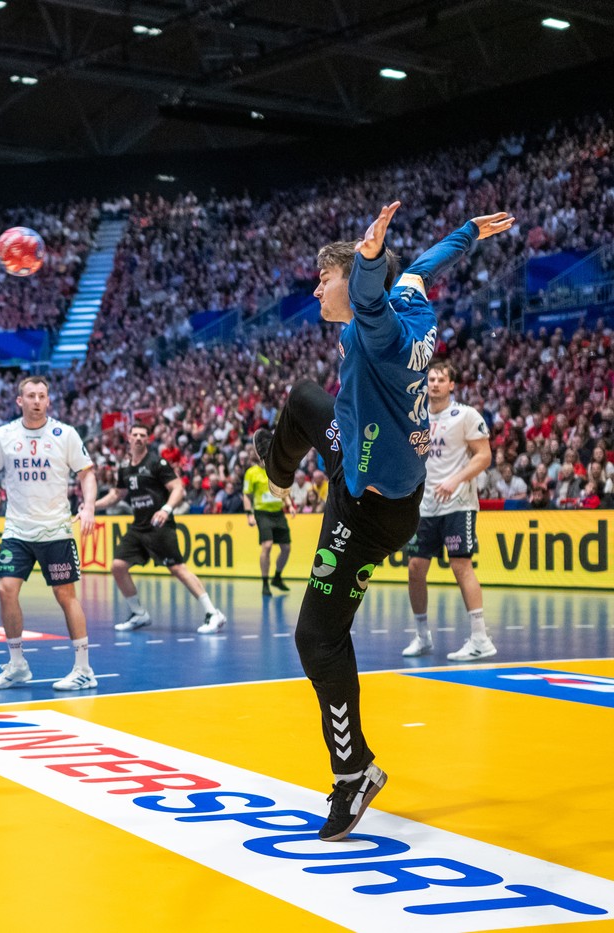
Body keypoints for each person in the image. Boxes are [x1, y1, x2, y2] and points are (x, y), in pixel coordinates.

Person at [254, 201, 513, 841]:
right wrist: (465, 233)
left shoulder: (379, 331)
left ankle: (355, 773)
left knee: (317, 638)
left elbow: (372, 295)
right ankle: (277, 468)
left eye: (325, 279)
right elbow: (422, 266)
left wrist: (367, 258)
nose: (316, 288)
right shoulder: (409, 302)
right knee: (306, 401)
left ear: (354, 282)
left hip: (370, 511)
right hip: (372, 468)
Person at [0, 376, 99, 691]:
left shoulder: (65, 434)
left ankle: (83, 669)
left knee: (65, 595)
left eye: (42, 395)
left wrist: (89, 506)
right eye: (31, 395)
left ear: (48, 401)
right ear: (19, 401)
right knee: (5, 590)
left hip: (55, 530)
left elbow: (87, 474)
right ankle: (17, 665)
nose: (37, 401)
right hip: (17, 529)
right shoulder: (5, 435)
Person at [94, 423, 227, 634]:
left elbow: (178, 488)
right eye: (135, 434)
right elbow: (117, 494)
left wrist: (165, 509)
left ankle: (213, 613)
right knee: (118, 566)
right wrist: (93, 505)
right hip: (138, 527)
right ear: (128, 438)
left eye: (143, 435)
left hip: (159, 525)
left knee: (177, 569)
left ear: (147, 439)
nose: (138, 438)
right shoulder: (125, 467)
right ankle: (138, 614)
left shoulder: (157, 462)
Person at [403, 361, 494, 662]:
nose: (436, 384)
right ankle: (421, 636)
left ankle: (481, 639)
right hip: (424, 505)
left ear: (452, 385)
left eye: (442, 379)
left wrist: (455, 480)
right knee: (415, 569)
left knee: (460, 566)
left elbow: (484, 456)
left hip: (458, 503)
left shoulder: (466, 415)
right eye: (431, 379)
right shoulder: (417, 418)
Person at [243, 445, 292, 597]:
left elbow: (283, 490)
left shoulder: (275, 470)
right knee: (268, 545)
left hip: (278, 513)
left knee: (286, 548)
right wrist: (249, 514)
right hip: (262, 513)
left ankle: (277, 577)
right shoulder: (251, 473)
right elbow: (246, 495)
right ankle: (265, 583)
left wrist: (290, 505)